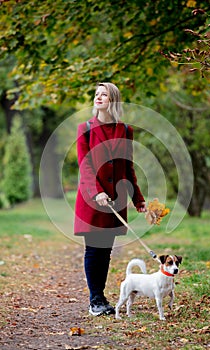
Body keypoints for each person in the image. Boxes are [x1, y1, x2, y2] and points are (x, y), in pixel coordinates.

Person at [74, 82, 146, 316]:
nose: (99, 97)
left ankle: (101, 298)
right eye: (96, 94)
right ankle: (95, 300)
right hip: (91, 198)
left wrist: (138, 199)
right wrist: (96, 192)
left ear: (113, 100)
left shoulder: (125, 130)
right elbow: (85, 165)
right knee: (94, 249)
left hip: (115, 199)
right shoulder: (84, 128)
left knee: (105, 250)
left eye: (104, 95)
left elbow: (127, 167)